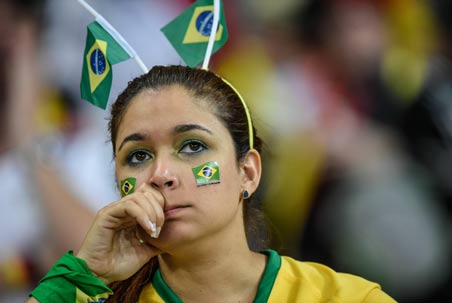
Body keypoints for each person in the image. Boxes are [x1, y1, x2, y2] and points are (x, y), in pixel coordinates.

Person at [26, 65, 396, 303]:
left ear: (248, 172)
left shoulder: (347, 298)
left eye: (192, 146)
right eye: (138, 155)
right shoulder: (87, 296)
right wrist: (84, 273)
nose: (160, 174)